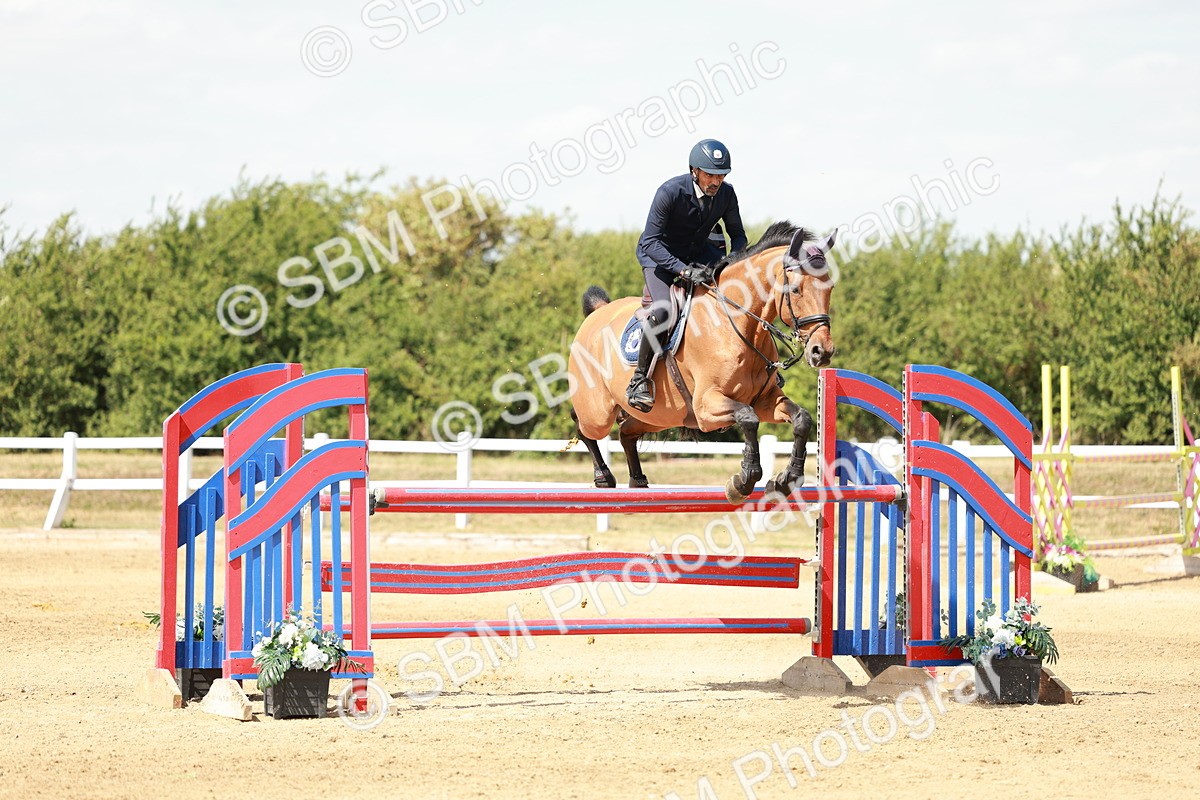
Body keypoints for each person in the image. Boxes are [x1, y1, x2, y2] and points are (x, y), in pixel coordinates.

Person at [626, 138, 748, 412]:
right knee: (665, 312)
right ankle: (638, 380)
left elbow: (738, 235)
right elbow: (651, 242)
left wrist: (734, 262)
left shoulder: (727, 194)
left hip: (697, 252)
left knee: (739, 294)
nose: (716, 181)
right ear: (694, 170)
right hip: (659, 255)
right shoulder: (669, 192)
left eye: (721, 175)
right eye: (710, 175)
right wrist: (681, 269)